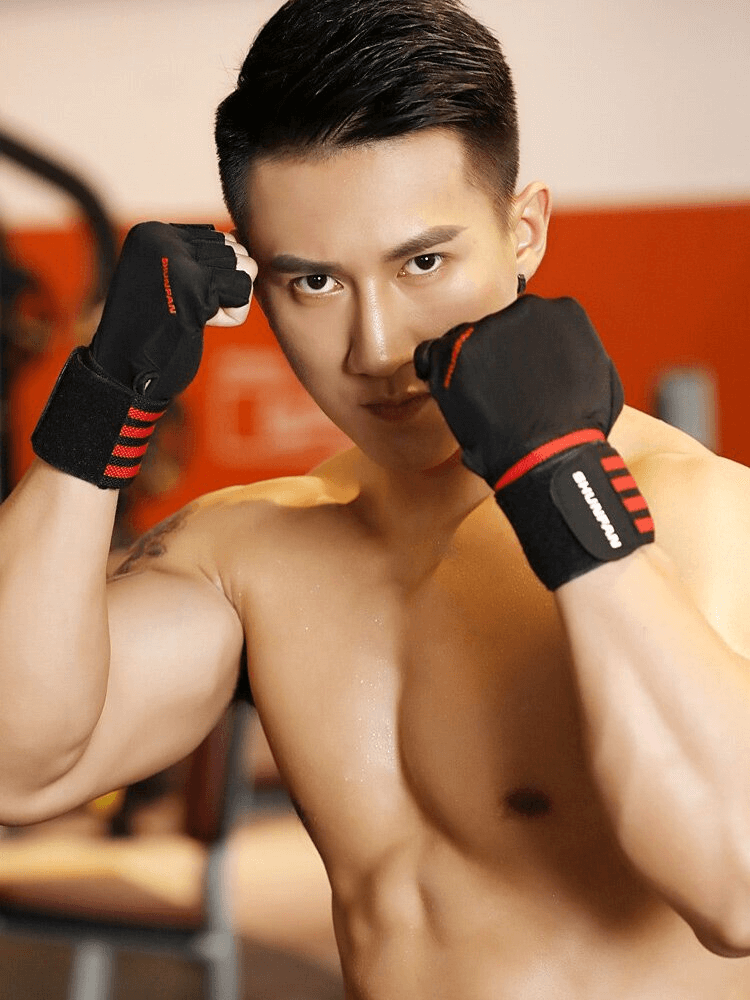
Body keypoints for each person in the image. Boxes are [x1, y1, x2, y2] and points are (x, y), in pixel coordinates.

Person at [2, 0, 750, 996]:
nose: (377, 348)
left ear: (525, 232)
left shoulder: (694, 513)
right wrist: (100, 405)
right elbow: (21, 767)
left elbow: (739, 887)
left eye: (424, 262)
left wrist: (571, 498)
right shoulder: (260, 555)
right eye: (313, 283)